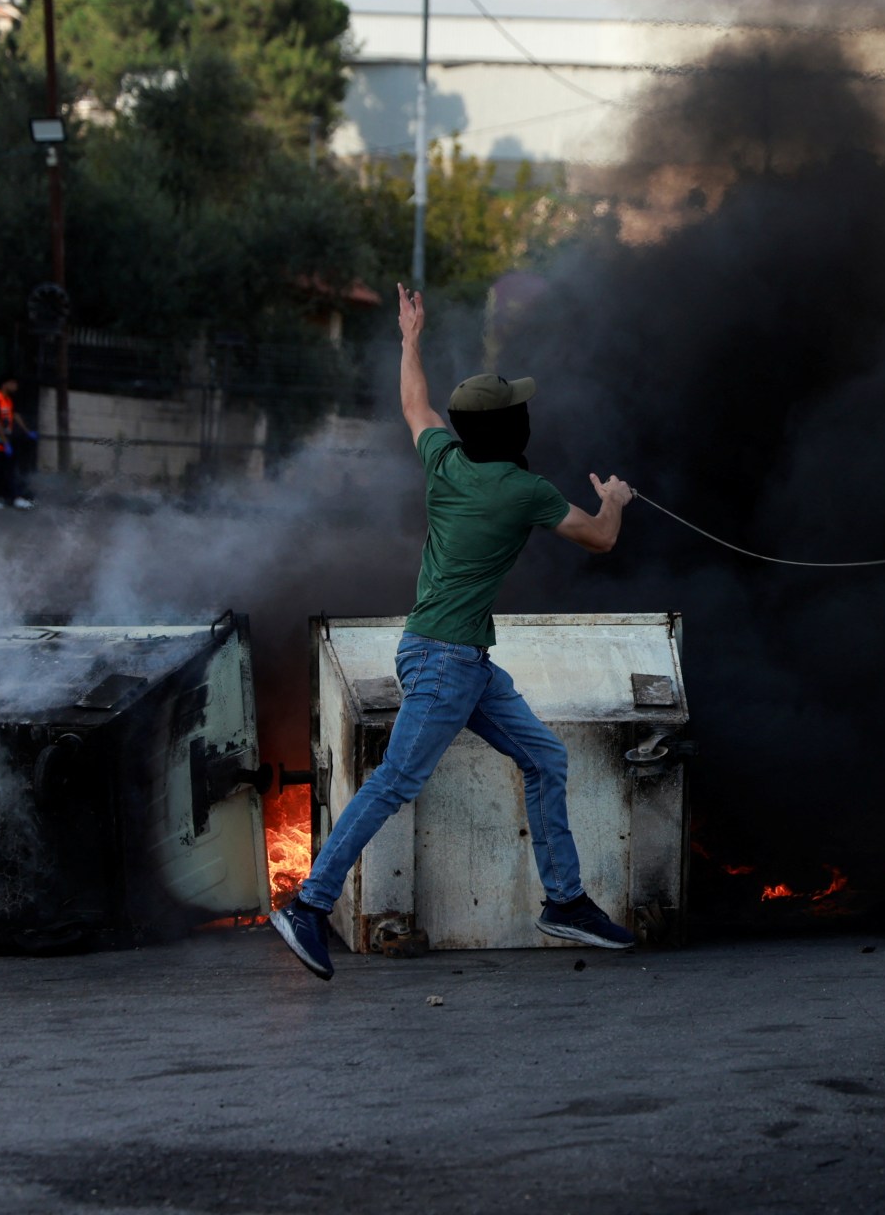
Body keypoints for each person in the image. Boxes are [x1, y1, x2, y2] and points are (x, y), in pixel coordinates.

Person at [271, 283, 638, 981]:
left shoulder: (445, 462)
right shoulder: (522, 490)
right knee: (395, 781)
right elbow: (599, 539)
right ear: (510, 430)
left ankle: (564, 901)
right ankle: (310, 906)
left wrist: (410, 338)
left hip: (457, 661)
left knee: (545, 759)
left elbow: (415, 404)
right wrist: (612, 499)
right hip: (445, 663)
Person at [0, 374, 35, 511]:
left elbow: (14, 415)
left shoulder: (8, 400)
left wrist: (26, 431)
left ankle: (13, 497)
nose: (15, 387)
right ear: (5, 384)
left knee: (8, 471)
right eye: (13, 383)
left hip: (4, 442)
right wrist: (6, 443)